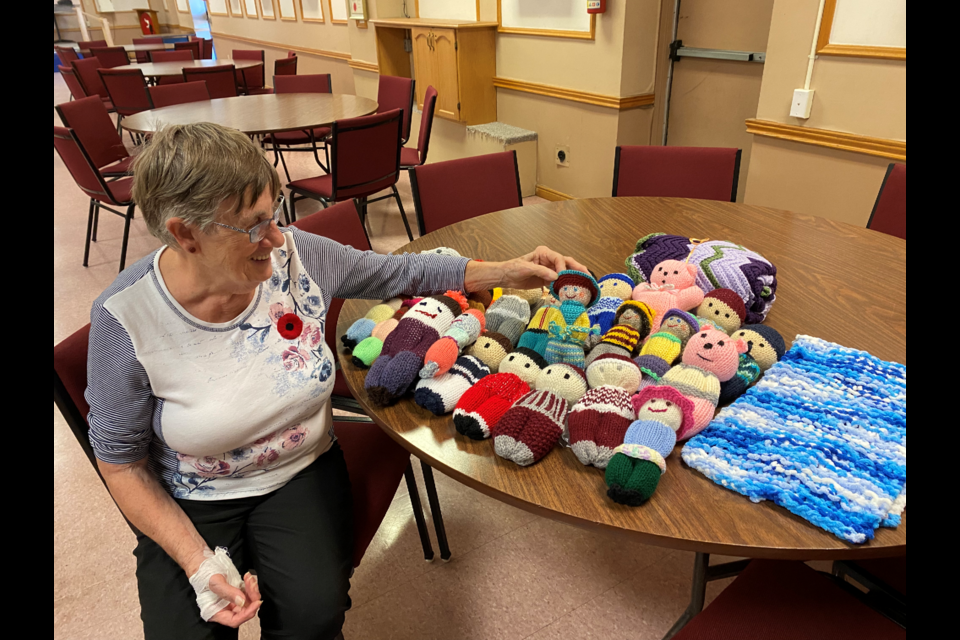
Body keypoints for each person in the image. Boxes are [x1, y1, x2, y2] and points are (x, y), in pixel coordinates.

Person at [85, 123, 590, 640]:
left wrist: (506, 271)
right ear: (184, 234)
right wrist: (196, 562)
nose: (277, 238)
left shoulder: (292, 255)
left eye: (275, 214)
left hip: (299, 468)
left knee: (314, 615)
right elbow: (120, 464)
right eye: (253, 226)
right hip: (194, 493)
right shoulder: (124, 320)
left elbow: (396, 273)